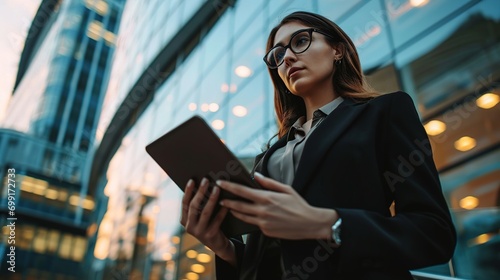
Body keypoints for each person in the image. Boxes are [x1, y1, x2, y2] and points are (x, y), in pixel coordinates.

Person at [180, 11, 456, 280]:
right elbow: (271, 262)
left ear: (337, 50)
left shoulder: (384, 112)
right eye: (277, 56)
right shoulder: (268, 157)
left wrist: (327, 224)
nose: (286, 57)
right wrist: (224, 248)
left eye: (300, 41)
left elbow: (433, 235)